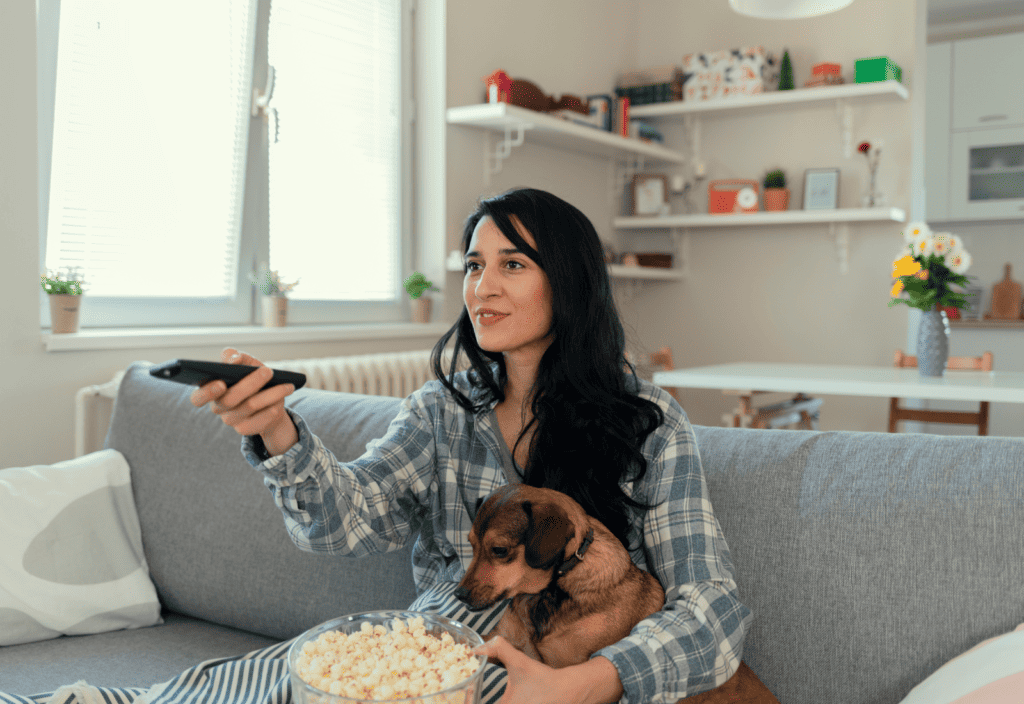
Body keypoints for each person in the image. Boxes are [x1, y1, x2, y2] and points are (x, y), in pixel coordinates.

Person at [191, 187, 751, 704]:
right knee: (279, 676)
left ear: (569, 281)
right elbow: (346, 523)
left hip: (561, 674)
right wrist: (276, 431)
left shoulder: (647, 424)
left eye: (512, 264)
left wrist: (589, 682)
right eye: (474, 266)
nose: (482, 288)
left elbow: (711, 610)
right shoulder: (439, 411)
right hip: (434, 654)